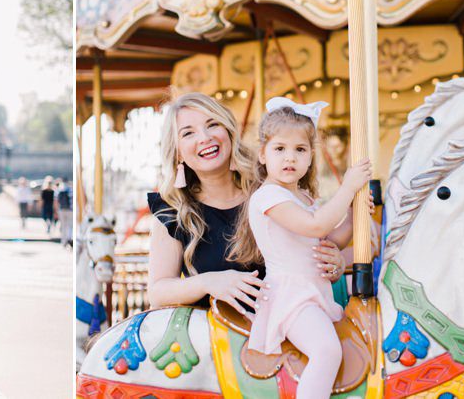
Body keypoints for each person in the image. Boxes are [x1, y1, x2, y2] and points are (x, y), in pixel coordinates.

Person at [148, 92, 346, 315]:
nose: (204, 137)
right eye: (188, 133)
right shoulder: (172, 210)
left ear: (229, 131)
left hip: (290, 318)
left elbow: (316, 241)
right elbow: (157, 291)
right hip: (219, 337)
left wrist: (334, 263)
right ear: (177, 153)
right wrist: (208, 282)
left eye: (212, 124)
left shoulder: (271, 189)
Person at [230, 97, 372, 399]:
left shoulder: (305, 198)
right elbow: (316, 227)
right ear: (264, 154)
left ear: (310, 158)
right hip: (291, 296)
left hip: (313, 293)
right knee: (326, 351)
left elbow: (333, 240)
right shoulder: (268, 197)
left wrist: (357, 211)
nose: (289, 158)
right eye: (280, 149)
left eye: (299, 150)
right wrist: (347, 189)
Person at [56, 179, 73, 248]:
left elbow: (56, 201)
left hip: (61, 210)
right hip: (70, 210)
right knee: (70, 226)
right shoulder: (70, 189)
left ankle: (63, 241)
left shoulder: (59, 190)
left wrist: (56, 210)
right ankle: (69, 238)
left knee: (63, 226)